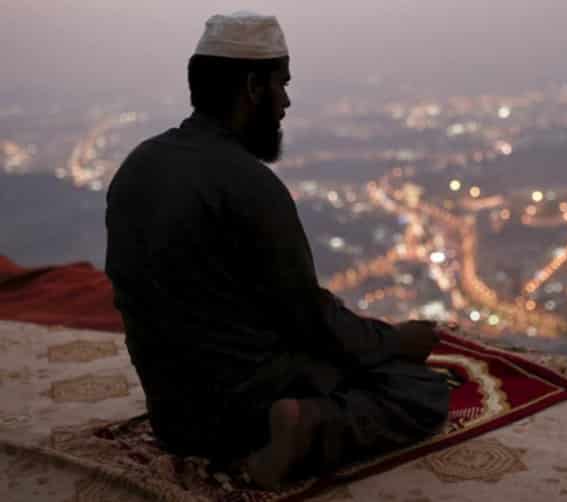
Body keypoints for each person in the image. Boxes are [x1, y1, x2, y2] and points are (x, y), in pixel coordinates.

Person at [105, 11, 449, 490]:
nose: (286, 101)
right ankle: (308, 426)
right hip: (245, 413)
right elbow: (308, 317)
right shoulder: (248, 183)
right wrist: (395, 341)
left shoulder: (138, 166)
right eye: (281, 85)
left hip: (171, 415)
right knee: (420, 389)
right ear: (252, 87)